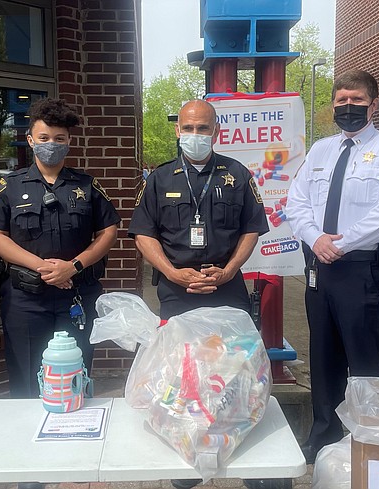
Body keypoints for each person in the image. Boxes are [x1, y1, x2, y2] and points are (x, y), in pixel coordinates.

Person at [128, 99, 269, 489]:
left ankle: (242, 447)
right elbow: (143, 233)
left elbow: (252, 229)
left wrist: (228, 271)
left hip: (227, 289)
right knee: (182, 375)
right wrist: (171, 271)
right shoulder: (158, 179)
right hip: (178, 290)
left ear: (216, 131)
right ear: (178, 131)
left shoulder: (237, 174)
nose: (195, 135)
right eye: (188, 128)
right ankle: (187, 456)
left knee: (239, 371)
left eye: (203, 128)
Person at [286, 69, 379, 464]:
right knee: (323, 358)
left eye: (356, 101)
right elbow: (297, 202)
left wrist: (340, 243)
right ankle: (323, 437)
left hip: (364, 271)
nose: (348, 108)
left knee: (364, 360)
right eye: (341, 101)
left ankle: (369, 441)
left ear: (373, 104)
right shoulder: (321, 150)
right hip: (321, 268)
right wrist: (316, 239)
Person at [0, 97, 120, 404]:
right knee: (27, 380)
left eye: (59, 139)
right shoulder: (11, 185)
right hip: (26, 301)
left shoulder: (86, 186)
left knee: (76, 375)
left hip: (77, 296)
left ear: (69, 142)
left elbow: (108, 231)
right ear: (30, 140)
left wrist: (73, 266)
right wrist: (43, 267)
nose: (51, 144)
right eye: (44, 138)